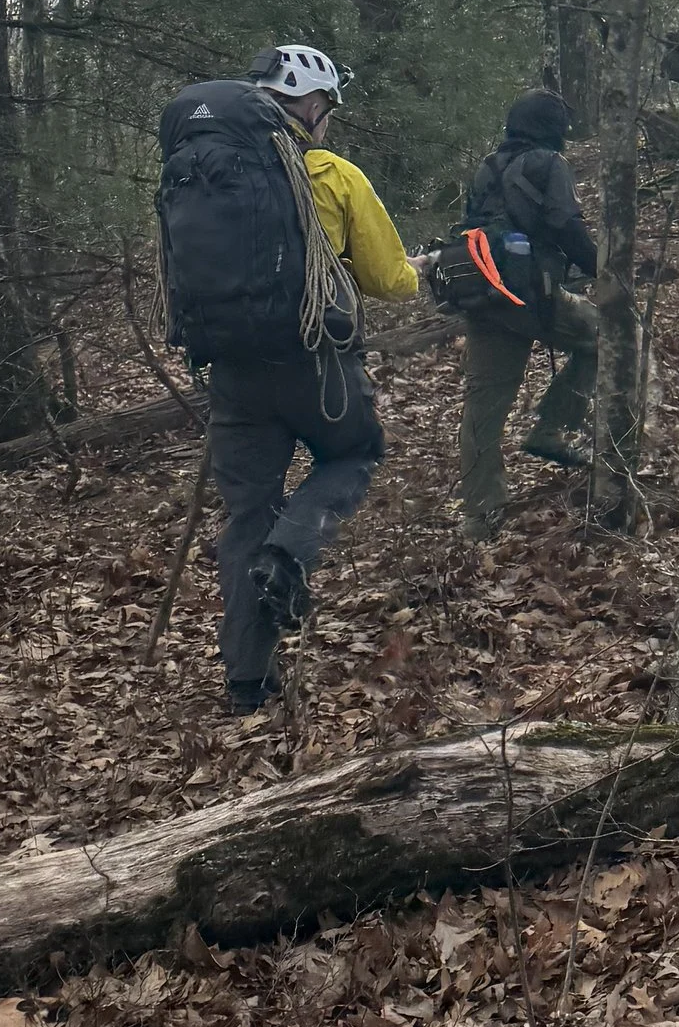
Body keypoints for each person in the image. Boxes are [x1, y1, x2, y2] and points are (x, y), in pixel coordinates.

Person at [181, 43, 419, 714]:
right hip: (317, 362)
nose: (330, 120)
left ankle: (247, 683)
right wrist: (416, 269)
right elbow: (388, 279)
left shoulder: (204, 172)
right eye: (329, 107)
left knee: (247, 514)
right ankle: (288, 558)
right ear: (310, 104)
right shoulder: (333, 174)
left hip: (231, 369)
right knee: (355, 450)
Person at [453, 89, 600, 536]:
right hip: (535, 294)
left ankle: (480, 515)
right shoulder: (548, 164)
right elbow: (565, 225)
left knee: (484, 404)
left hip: (485, 295)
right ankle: (552, 427)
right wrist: (605, 270)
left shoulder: (488, 166)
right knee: (608, 336)